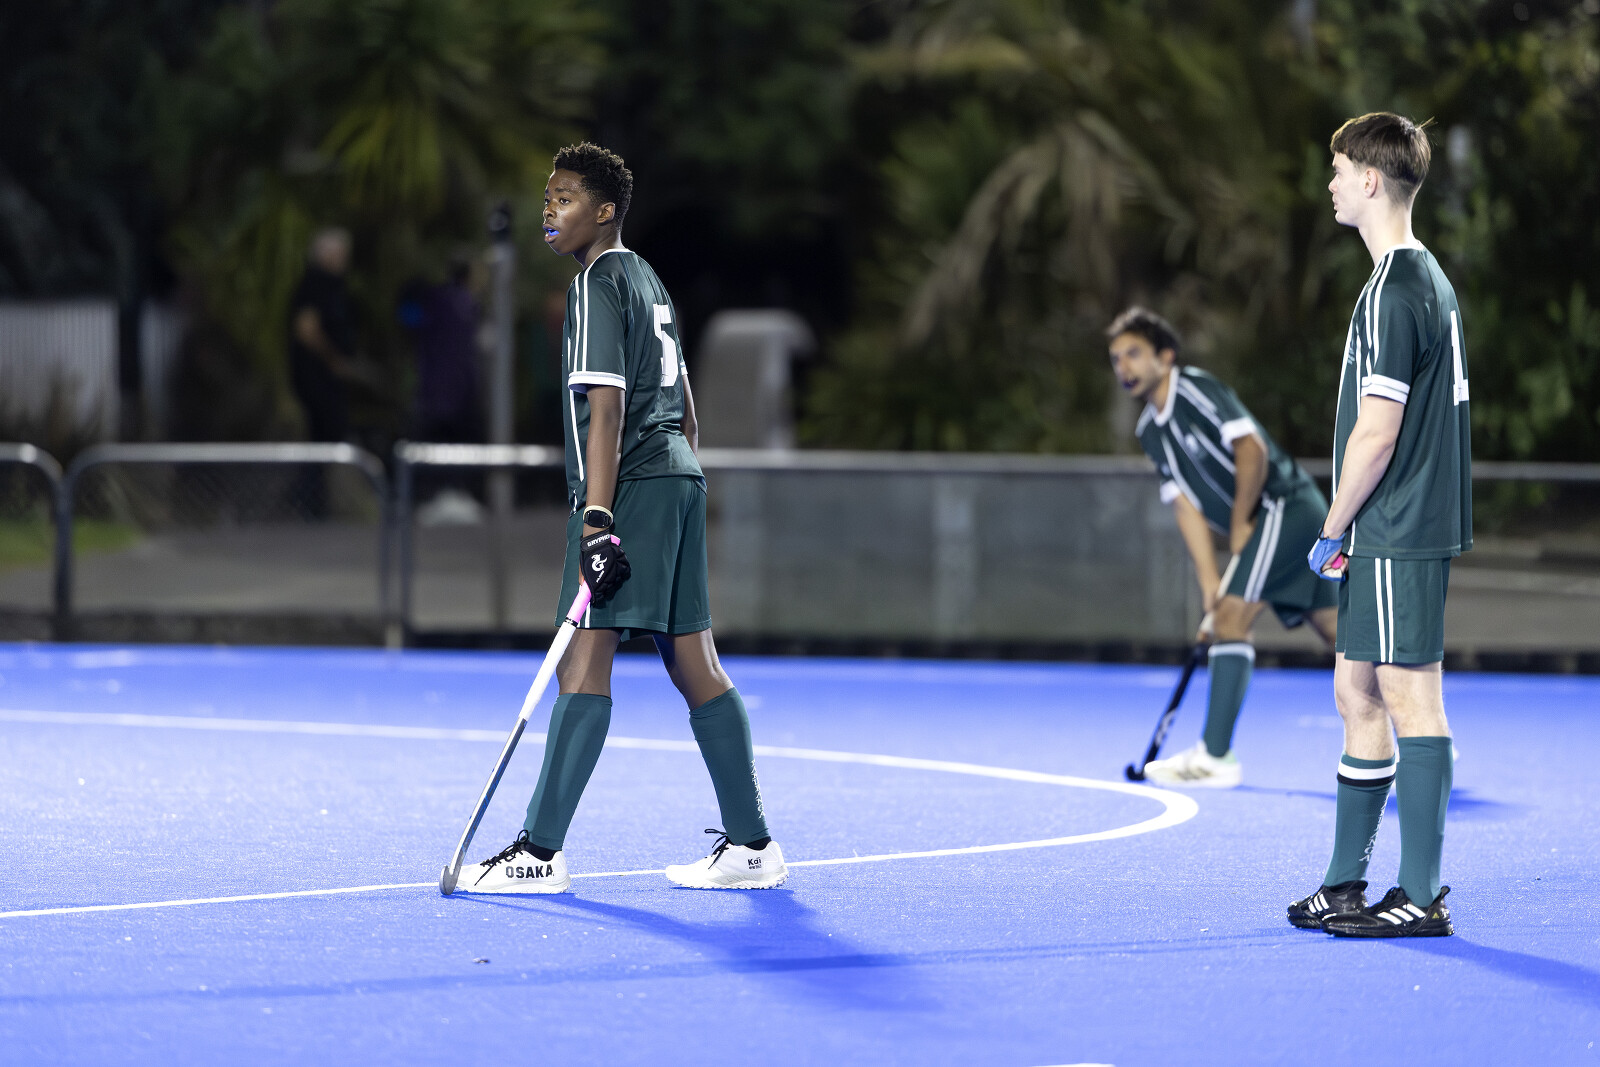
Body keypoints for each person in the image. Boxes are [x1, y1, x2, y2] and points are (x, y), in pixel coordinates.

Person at [456, 142, 786, 893]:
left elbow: (605, 410)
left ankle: (539, 852)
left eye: (566, 198)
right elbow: (687, 412)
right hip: (677, 475)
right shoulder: (649, 280)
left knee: (583, 659)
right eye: (547, 198)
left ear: (604, 211)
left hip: (629, 486)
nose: (550, 210)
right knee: (694, 661)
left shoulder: (595, 284)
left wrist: (599, 518)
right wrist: (673, 484)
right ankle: (752, 845)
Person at [1289, 113, 1469, 938]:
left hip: (1395, 524)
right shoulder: (1413, 278)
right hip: (1386, 528)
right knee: (1355, 691)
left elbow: (1378, 431)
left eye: (1337, 169)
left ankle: (1423, 893)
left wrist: (1332, 527)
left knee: (1409, 696)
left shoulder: (1397, 287)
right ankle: (1344, 883)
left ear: (1369, 178)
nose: (1329, 183)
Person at [1109, 307, 1338, 787]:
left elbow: (1252, 449)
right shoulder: (1149, 432)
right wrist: (1209, 580)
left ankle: (1215, 756)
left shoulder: (1194, 389)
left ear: (1165, 357)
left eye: (1133, 353)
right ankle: (1414, 726)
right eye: (1116, 359)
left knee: (1232, 619)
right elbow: (1185, 506)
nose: (1123, 366)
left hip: (1284, 505)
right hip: (1268, 519)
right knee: (1338, 630)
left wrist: (1238, 528)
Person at [288, 228, 359, 517]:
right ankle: (308, 501)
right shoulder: (315, 284)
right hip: (316, 378)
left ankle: (315, 502)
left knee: (325, 436)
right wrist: (333, 359)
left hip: (327, 378)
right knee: (324, 433)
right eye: (340, 253)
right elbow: (306, 329)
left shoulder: (335, 285)